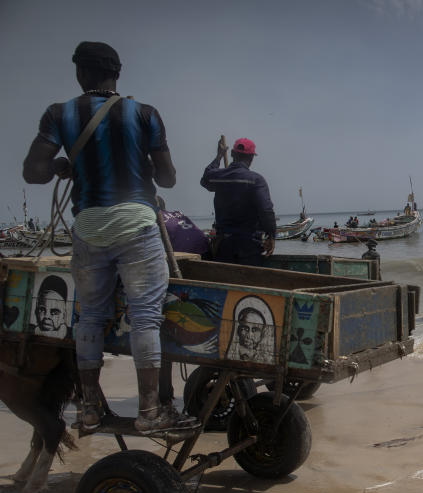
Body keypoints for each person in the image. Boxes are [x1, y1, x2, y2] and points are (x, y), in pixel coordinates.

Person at [22, 41, 178, 432]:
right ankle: (149, 413)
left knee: (89, 316)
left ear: (81, 74)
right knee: (145, 316)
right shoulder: (144, 114)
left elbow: (32, 171)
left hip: (88, 226)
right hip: (136, 224)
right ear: (118, 73)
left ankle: (89, 409)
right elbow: (168, 178)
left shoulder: (59, 114)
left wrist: (61, 164)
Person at [201, 136, 276, 266]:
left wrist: (219, 156)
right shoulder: (256, 180)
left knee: (226, 283)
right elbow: (266, 211)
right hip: (249, 246)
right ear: (252, 158)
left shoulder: (219, 177)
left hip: (223, 245)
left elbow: (205, 179)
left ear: (232, 154)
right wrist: (271, 236)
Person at [32, 275, 70, 339]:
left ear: (64, 316)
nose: (47, 316)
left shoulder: (73, 334)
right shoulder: (29, 330)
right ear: (36, 311)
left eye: (55, 312)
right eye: (42, 310)